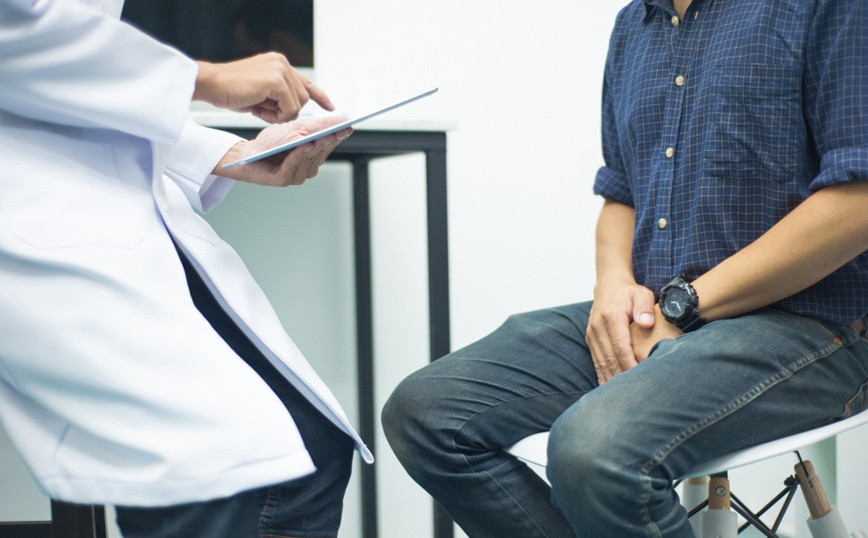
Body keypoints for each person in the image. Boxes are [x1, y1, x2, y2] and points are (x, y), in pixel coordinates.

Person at [382, 0, 868, 536]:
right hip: (658, 316)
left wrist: (685, 308)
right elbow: (620, 194)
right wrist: (613, 287)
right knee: (426, 413)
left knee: (594, 452)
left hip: (809, 327)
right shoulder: (633, 25)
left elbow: (857, 203)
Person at [0, 0, 371, 536]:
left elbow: (67, 83)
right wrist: (205, 79)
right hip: (32, 210)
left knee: (311, 447)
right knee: (206, 467)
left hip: (94, 198)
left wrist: (227, 154)